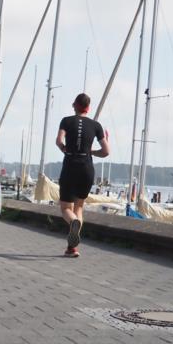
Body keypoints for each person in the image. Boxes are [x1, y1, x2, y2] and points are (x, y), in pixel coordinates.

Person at [55, 93, 110, 257]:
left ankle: (73, 223)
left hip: (70, 164)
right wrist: (91, 151)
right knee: (79, 207)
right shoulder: (96, 125)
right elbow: (106, 151)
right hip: (86, 167)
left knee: (66, 208)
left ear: (74, 105)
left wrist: (64, 148)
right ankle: (72, 248)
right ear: (88, 108)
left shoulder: (66, 120)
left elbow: (58, 141)